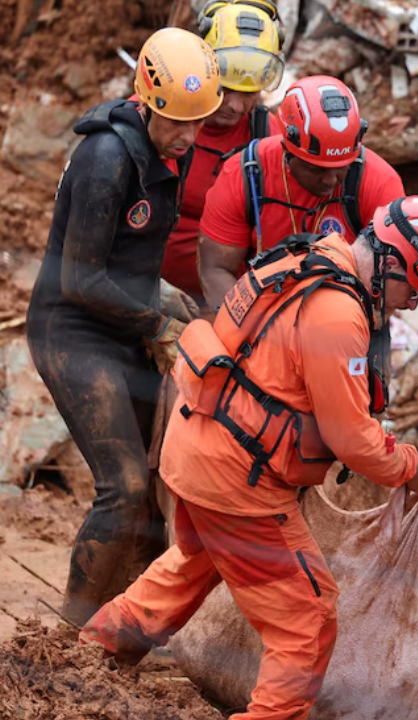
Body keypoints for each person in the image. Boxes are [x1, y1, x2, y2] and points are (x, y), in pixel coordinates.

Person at [79, 196, 418, 719]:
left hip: (196, 448)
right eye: (413, 291)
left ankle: (90, 654)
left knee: (191, 565)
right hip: (239, 480)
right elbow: (352, 439)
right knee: (307, 618)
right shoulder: (338, 312)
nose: (411, 306)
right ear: (394, 261)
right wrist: (416, 468)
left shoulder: (302, 258)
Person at [25, 27, 222, 626]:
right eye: (177, 122)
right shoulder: (105, 158)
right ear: (147, 101)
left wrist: (165, 303)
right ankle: (69, 632)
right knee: (125, 484)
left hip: (126, 322)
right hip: (73, 328)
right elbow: (81, 278)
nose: (190, 137)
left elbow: (133, 257)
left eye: (199, 123)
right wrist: (157, 322)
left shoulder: (169, 150)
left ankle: (128, 630)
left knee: (155, 484)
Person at [198, 74, 405, 306]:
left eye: (341, 168)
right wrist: (256, 328)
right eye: (316, 169)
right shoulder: (244, 174)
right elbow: (216, 268)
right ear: (287, 151)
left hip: (346, 314)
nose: (330, 180)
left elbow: (391, 288)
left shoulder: (379, 183)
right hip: (256, 309)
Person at [157, 0, 286, 305]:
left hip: (226, 306)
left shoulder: (268, 137)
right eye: (226, 88)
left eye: (250, 92)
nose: (236, 106)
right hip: (142, 297)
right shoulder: (157, 115)